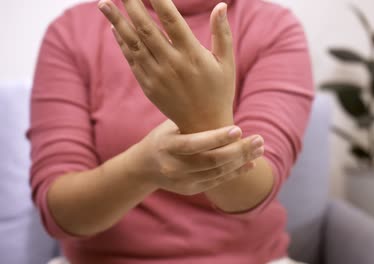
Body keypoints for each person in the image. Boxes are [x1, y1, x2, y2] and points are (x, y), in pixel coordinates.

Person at [28, 0, 314, 263]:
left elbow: (252, 196)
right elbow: (61, 215)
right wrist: (141, 168)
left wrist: (205, 118)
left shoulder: (273, 27)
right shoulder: (72, 31)